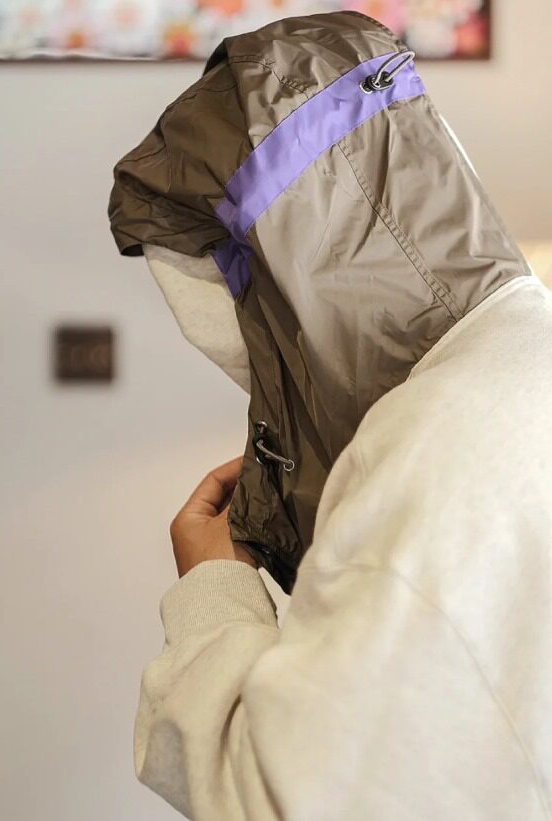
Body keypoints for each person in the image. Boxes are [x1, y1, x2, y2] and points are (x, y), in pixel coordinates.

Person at [107, 12, 552, 819]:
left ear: (283, 275)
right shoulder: (526, 356)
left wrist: (213, 589)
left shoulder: (428, 459)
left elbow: (280, 799)